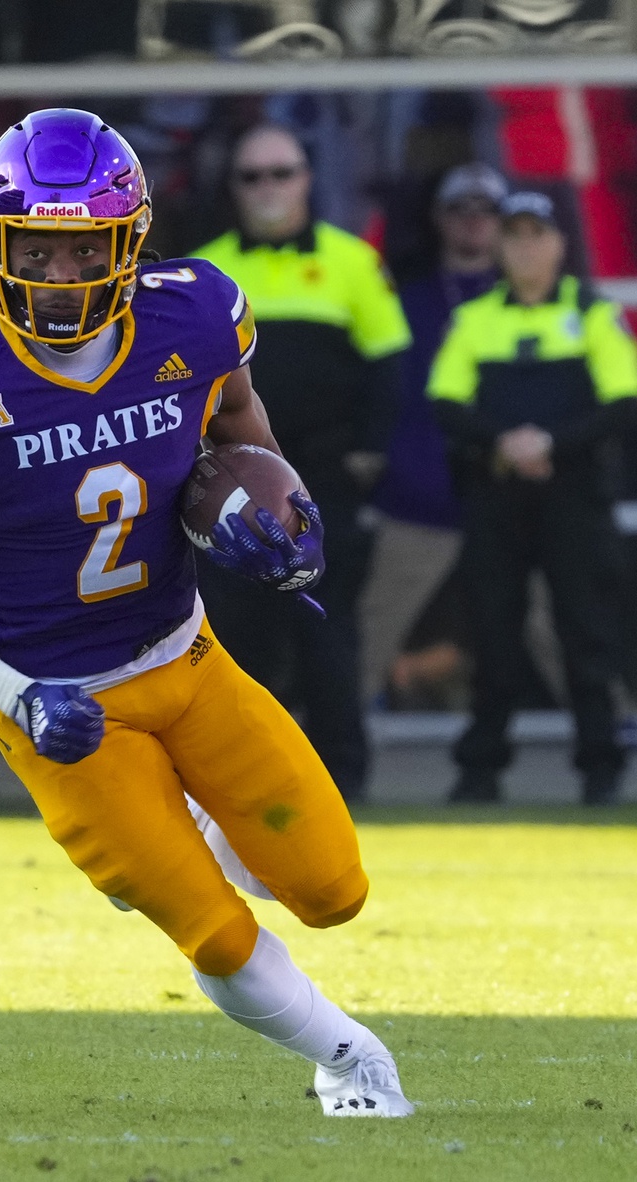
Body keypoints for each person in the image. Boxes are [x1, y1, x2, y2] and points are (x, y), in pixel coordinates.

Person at [0, 108, 414, 1118]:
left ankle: (192, 811)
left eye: (82, 250)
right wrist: (11, 695)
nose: (59, 276)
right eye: (36, 249)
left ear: (128, 243)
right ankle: (349, 1060)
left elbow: (241, 428)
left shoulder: (193, 316)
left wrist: (282, 522)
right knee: (210, 927)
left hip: (185, 655)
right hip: (57, 701)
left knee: (335, 892)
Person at [190, 124, 411, 800]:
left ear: (307, 179)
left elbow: (391, 366)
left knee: (326, 633)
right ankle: (243, 784)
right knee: (233, 640)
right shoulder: (205, 272)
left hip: (323, 481)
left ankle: (344, 783)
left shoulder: (353, 262)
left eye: (281, 173)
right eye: (252, 176)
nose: (268, 188)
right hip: (228, 487)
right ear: (233, 188)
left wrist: (367, 456)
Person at [428, 191, 637, 806]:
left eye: (537, 234)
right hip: (496, 499)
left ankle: (601, 769)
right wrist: (503, 444)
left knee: (587, 634)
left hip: (574, 498)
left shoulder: (595, 312)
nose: (525, 246)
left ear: (560, 243)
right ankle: (480, 770)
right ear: (499, 244)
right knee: (493, 635)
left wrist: (550, 443)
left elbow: (624, 402)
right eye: (514, 234)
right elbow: (446, 401)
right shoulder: (477, 317)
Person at [363, 163, 505, 701]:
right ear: (438, 219)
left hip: (509, 496)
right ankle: (330, 747)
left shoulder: (528, 300)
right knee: (375, 624)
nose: (473, 222)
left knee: (558, 619)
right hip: (419, 496)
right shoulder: (407, 301)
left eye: (487, 210)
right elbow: (383, 394)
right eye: (459, 209)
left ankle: (614, 729)